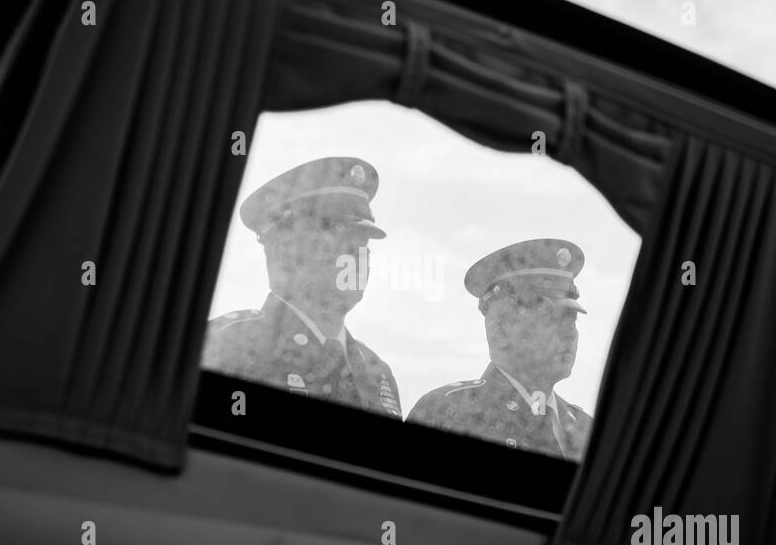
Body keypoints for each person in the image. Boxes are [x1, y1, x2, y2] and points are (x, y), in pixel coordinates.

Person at [202, 156, 402, 418]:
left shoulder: (378, 374)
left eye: (363, 244)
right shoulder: (228, 345)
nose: (357, 258)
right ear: (285, 253)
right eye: (339, 239)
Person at [407, 238, 593, 458]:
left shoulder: (586, 430)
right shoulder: (445, 414)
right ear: (500, 330)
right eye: (551, 317)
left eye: (571, 318)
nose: (569, 332)